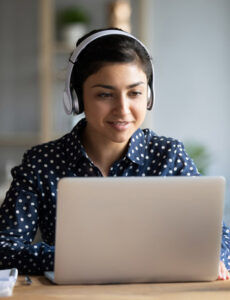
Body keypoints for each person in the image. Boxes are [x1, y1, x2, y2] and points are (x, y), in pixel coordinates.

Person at [0, 28, 229, 279]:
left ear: (149, 96)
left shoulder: (169, 156)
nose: (122, 109)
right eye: (104, 94)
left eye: (135, 93)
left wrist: (214, 256)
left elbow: (218, 236)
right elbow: (5, 250)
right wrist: (78, 258)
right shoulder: (42, 162)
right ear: (77, 98)